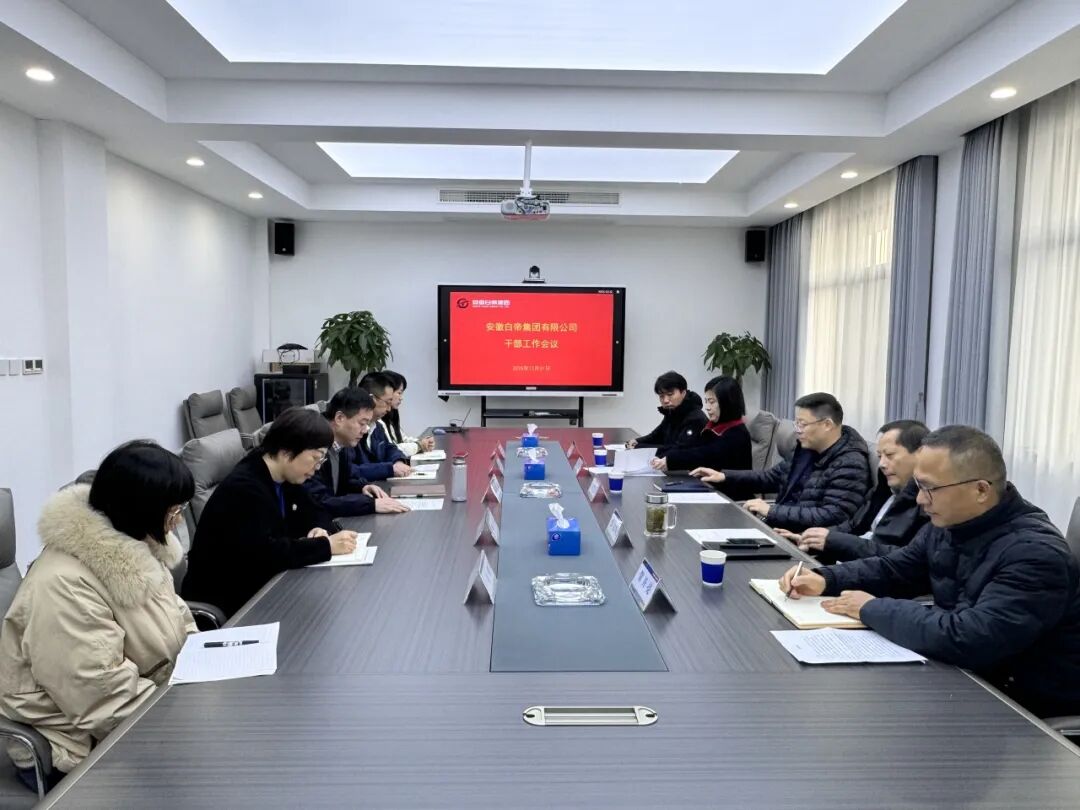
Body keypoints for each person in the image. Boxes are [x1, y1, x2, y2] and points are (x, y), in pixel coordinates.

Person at [780, 425, 1080, 718]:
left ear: (980, 490)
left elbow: (970, 638)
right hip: (961, 677)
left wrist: (871, 608)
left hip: (1019, 704)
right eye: (918, 486)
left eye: (930, 488)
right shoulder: (952, 524)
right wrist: (825, 579)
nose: (920, 500)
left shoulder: (1035, 554)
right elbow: (896, 569)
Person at [0, 441, 197, 791]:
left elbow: (178, 616)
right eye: (173, 510)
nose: (179, 519)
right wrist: (189, 719)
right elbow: (103, 697)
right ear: (142, 508)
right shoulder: (63, 585)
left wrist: (206, 665)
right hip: (75, 746)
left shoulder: (137, 546)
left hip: (145, 709)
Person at [182, 407, 359, 618]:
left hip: (268, 585)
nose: (318, 467)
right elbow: (266, 554)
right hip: (232, 601)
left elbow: (315, 510)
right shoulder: (245, 488)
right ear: (286, 451)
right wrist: (325, 546)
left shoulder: (285, 476)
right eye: (315, 458)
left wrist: (318, 529)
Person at [691, 392, 870, 532]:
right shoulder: (806, 448)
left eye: (802, 424)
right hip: (778, 526)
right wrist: (724, 476)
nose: (797, 430)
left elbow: (832, 515)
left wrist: (771, 511)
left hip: (802, 542)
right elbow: (772, 477)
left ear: (827, 425)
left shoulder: (850, 463)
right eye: (796, 424)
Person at [788, 419, 929, 562]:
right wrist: (808, 539)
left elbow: (902, 558)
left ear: (919, 454)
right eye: (879, 456)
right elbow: (853, 527)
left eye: (890, 455)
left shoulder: (928, 504)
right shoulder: (884, 490)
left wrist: (834, 541)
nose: (881, 464)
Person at [305, 387, 410, 516]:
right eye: (362, 423)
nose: (365, 430)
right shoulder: (313, 447)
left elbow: (345, 480)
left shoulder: (342, 444)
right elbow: (318, 501)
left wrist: (362, 487)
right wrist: (370, 504)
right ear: (339, 418)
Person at [650, 375, 752, 476]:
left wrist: (670, 460)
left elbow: (704, 454)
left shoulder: (737, 433)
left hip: (727, 487)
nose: (707, 407)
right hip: (706, 482)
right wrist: (661, 457)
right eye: (706, 401)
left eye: (712, 402)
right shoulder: (713, 426)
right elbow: (690, 447)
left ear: (727, 403)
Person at [626, 371, 707, 457]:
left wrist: (638, 447)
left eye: (670, 394)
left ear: (683, 393)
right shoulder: (673, 412)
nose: (665, 400)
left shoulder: (695, 419)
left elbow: (679, 450)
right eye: (661, 396)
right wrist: (636, 441)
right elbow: (657, 436)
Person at [354, 372, 412, 481]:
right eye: (387, 402)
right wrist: (388, 469)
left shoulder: (377, 426)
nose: (389, 409)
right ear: (372, 399)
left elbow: (389, 448)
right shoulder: (352, 429)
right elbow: (351, 471)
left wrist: (398, 461)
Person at [382, 370, 436, 458]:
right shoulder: (379, 420)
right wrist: (419, 445)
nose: (401, 398)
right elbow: (392, 449)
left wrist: (423, 442)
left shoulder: (392, 415)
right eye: (399, 393)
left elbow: (402, 439)